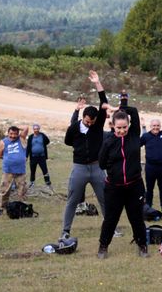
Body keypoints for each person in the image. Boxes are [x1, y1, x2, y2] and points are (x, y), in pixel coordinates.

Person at [61, 71, 109, 239]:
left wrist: (98, 83)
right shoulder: (74, 127)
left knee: (104, 198)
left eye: (92, 122)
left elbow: (104, 102)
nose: (89, 125)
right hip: (80, 168)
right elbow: (67, 141)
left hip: (96, 167)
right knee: (73, 200)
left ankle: (111, 227)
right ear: (83, 117)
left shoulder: (97, 124)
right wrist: (80, 146)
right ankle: (66, 231)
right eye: (87, 122)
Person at [97, 105, 148, 258]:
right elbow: (101, 163)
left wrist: (118, 108)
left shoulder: (134, 134)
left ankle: (142, 245)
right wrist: (114, 170)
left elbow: (133, 111)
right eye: (119, 128)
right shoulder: (108, 141)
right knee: (111, 219)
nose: (122, 130)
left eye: (124, 127)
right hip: (114, 188)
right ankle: (103, 246)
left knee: (136, 217)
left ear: (129, 125)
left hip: (135, 186)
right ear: (113, 126)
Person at [0, 125, 29, 215]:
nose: (13, 136)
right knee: (4, 190)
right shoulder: (3, 142)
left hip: (21, 171)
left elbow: (26, 128)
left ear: (18, 134)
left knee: (21, 190)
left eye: (15, 134)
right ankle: (1, 208)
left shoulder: (21, 139)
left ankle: (21, 208)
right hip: (8, 170)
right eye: (11, 133)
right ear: (8, 133)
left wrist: (17, 127)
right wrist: (9, 158)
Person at [26, 124, 52, 188]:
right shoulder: (30, 137)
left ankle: (48, 183)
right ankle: (32, 183)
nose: (36, 130)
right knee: (32, 171)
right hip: (33, 157)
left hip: (42, 157)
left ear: (39, 129)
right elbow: (28, 147)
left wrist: (42, 145)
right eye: (35, 129)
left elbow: (48, 141)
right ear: (33, 130)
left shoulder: (42, 135)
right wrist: (26, 156)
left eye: (37, 129)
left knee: (45, 170)